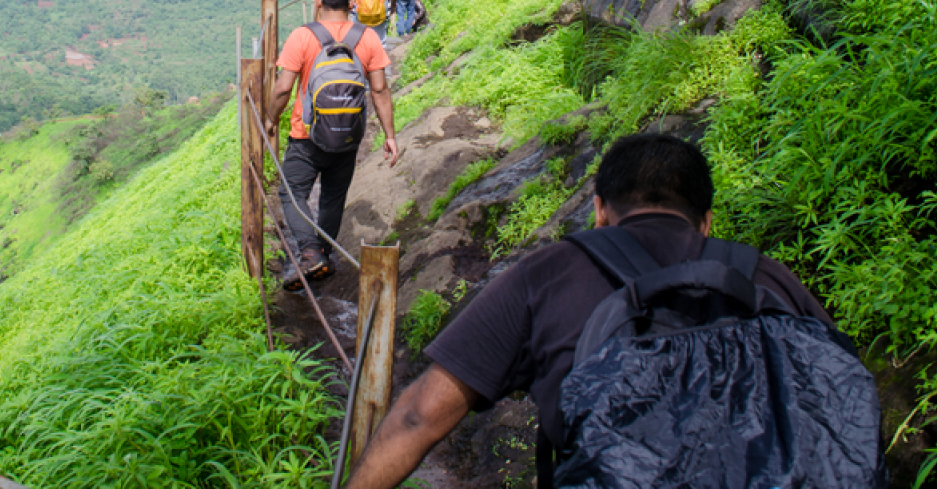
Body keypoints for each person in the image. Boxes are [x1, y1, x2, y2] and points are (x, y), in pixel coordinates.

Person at [342, 134, 842, 488]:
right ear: (706, 221)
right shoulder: (769, 280)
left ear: (600, 209)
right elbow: (838, 407)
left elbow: (417, 418)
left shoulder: (551, 274)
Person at [267, 0, 400, 289]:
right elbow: (379, 90)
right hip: (348, 135)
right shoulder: (367, 38)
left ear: (318, 3)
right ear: (352, 4)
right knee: (332, 197)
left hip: (306, 134)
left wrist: (271, 118)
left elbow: (283, 88)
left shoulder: (302, 37)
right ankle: (324, 252)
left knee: (291, 192)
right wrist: (390, 136)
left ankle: (311, 254)